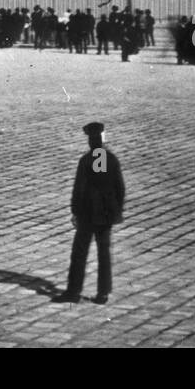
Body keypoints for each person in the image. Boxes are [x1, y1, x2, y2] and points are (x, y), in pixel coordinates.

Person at [53, 121, 125, 305]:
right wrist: (116, 210)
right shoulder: (110, 159)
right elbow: (120, 187)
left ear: (89, 141)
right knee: (104, 252)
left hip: (87, 214)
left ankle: (73, 291)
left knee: (79, 253)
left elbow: (79, 189)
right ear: (102, 138)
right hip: (106, 214)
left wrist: (75, 211)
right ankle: (103, 292)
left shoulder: (86, 161)